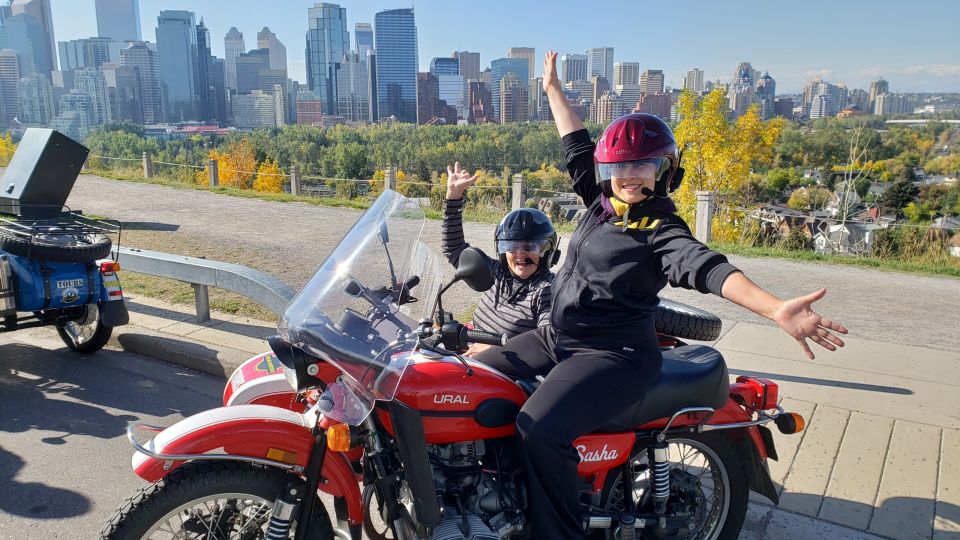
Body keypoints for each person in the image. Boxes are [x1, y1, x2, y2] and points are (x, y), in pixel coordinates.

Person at [474, 52, 849, 539]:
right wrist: (551, 91)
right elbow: (575, 145)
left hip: (614, 355)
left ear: (665, 170)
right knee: (473, 379)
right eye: (620, 166)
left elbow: (706, 268)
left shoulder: (660, 228)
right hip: (556, 337)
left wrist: (776, 307)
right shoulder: (602, 202)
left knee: (538, 428)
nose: (630, 176)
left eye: (644, 165)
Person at [442, 163, 557, 354]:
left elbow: (545, 342)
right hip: (466, 353)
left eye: (530, 246)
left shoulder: (546, 291)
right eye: (512, 246)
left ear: (547, 251)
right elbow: (454, 249)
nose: (520, 254)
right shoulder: (498, 273)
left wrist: (494, 351)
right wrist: (453, 197)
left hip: (499, 371)